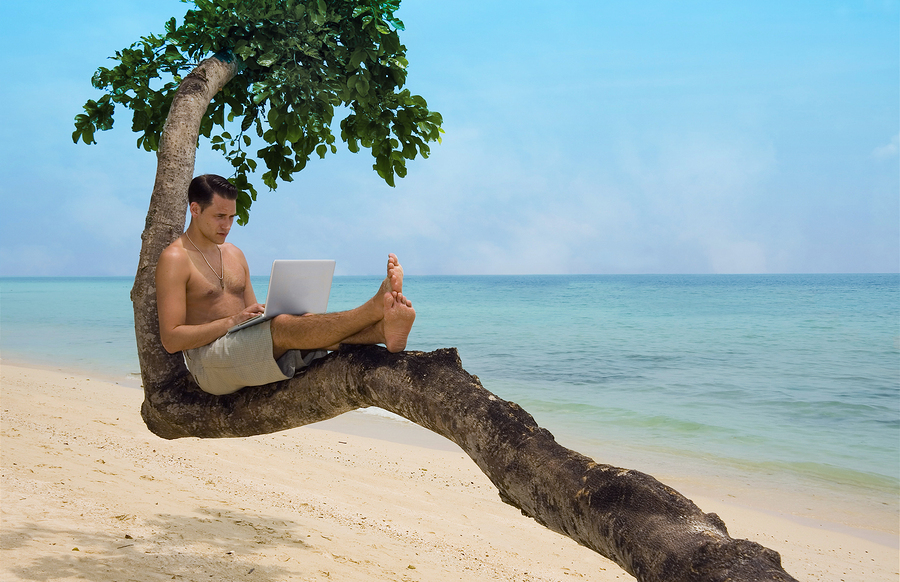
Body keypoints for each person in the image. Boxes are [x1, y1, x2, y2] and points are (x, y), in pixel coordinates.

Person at [155, 174, 416, 396]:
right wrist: (231, 322)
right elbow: (171, 339)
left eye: (232, 217)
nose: (227, 225)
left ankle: (380, 333)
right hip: (208, 362)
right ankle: (372, 309)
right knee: (282, 327)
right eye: (220, 216)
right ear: (195, 209)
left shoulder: (234, 254)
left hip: (242, 348)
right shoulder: (176, 259)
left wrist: (267, 313)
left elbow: (252, 315)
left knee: (303, 321)